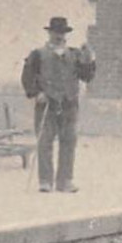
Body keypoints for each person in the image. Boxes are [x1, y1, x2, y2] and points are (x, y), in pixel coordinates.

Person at [20, 16, 96, 193]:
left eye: (62, 33)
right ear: (49, 33)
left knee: (68, 142)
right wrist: (37, 93)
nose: (59, 36)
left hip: (69, 105)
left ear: (66, 34)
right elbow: (27, 77)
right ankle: (45, 181)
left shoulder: (75, 54)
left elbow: (87, 77)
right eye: (55, 33)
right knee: (44, 143)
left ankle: (65, 181)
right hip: (47, 105)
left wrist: (90, 59)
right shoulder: (38, 54)